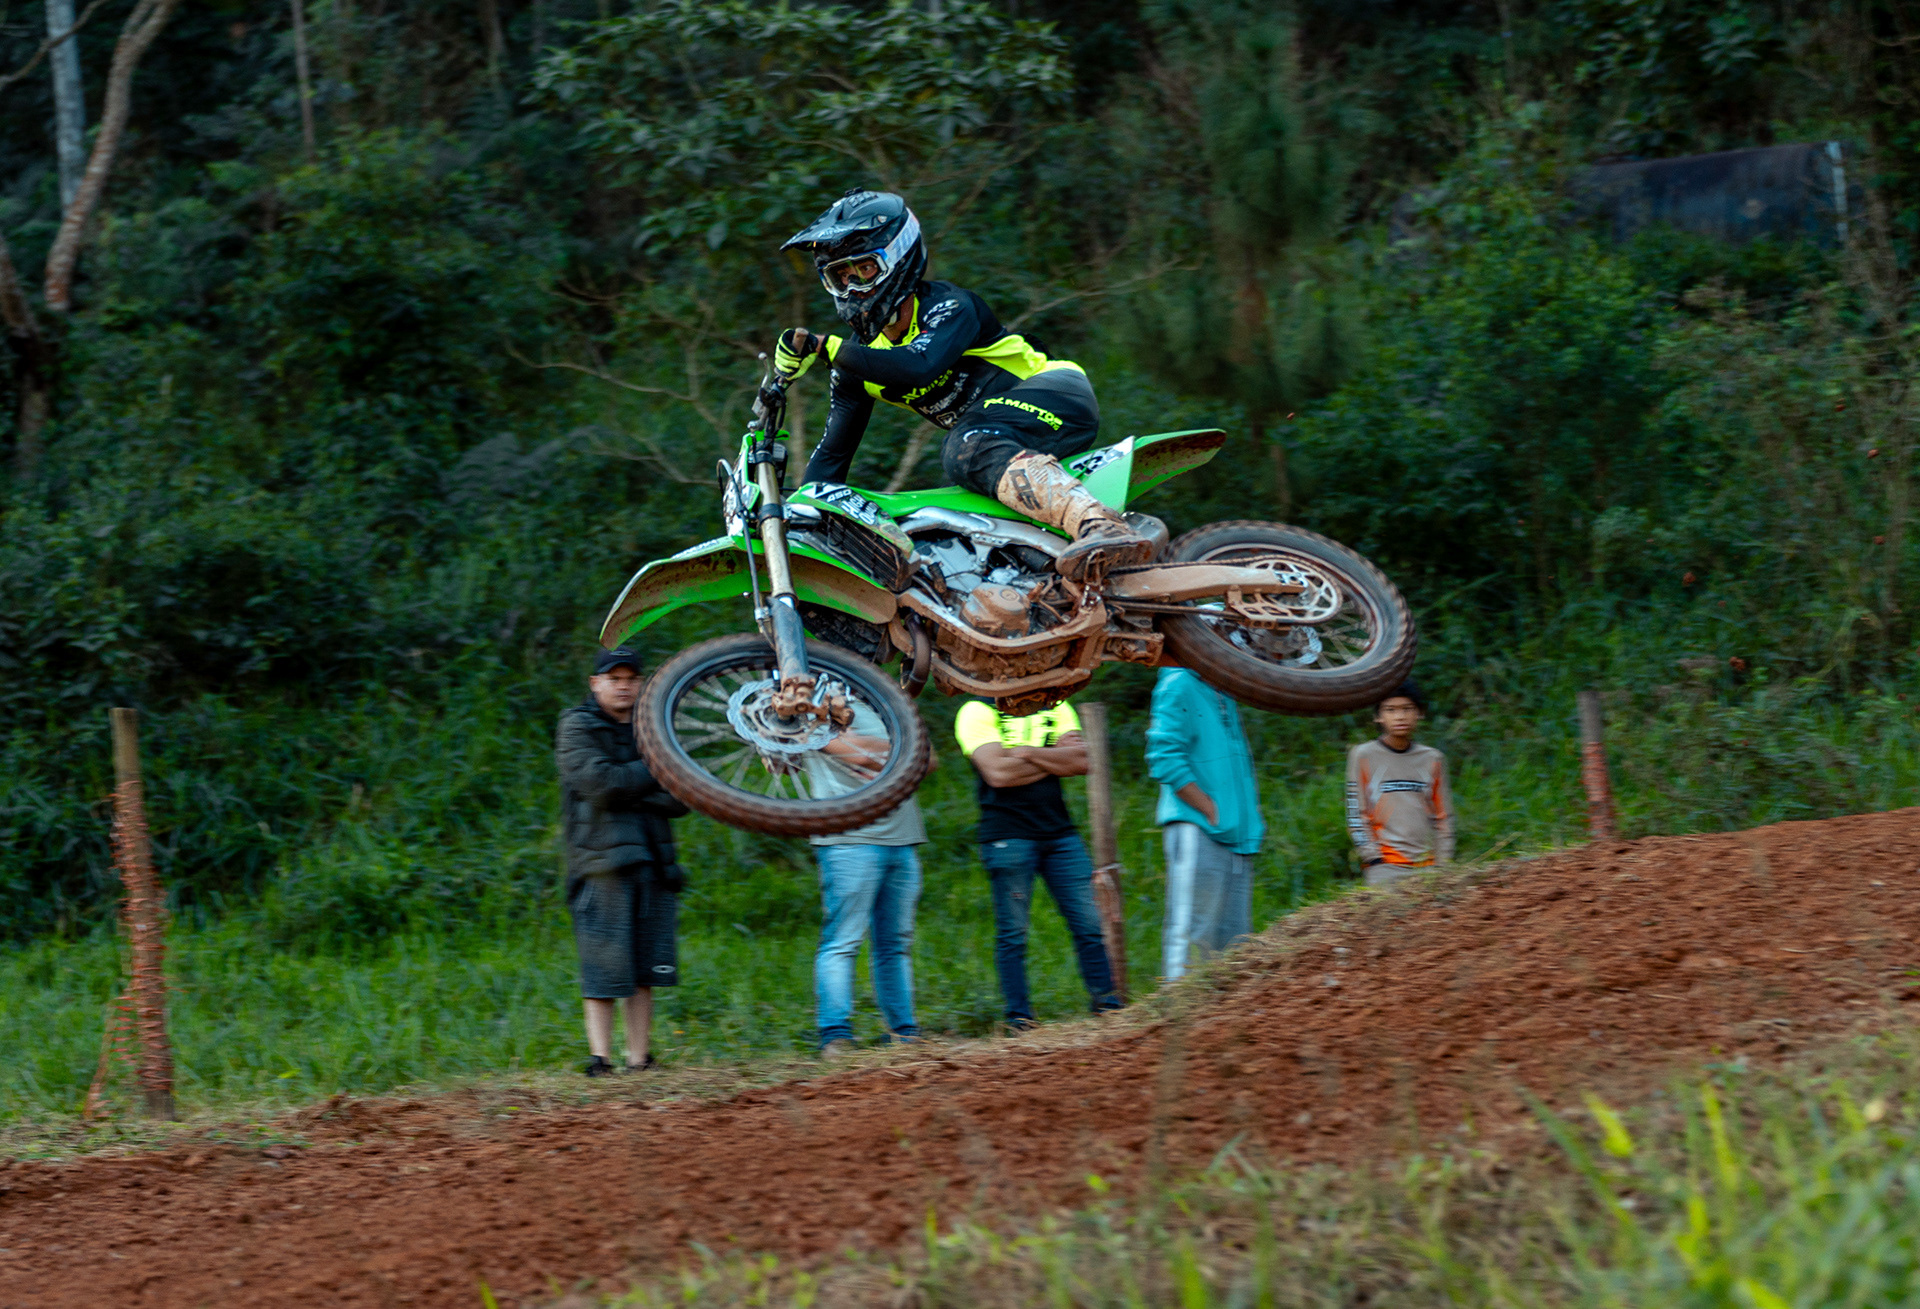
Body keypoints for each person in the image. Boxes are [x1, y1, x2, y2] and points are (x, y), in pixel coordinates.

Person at [771, 189, 1151, 581]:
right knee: (949, 526)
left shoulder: (950, 306)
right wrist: (796, 520)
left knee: (966, 448)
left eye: (864, 269)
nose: (853, 287)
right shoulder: (857, 361)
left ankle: (1100, 524)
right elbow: (831, 459)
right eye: (840, 276)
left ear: (898, 257)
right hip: (1000, 436)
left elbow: (917, 366)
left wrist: (823, 347)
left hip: (1055, 393)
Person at [555, 647, 689, 1077]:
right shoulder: (576, 725)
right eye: (614, 678)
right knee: (602, 968)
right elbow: (600, 783)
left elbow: (683, 796)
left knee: (646, 968)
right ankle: (600, 1061)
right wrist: (654, 768)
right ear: (595, 683)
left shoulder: (654, 726)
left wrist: (629, 781)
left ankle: (639, 1060)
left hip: (654, 861)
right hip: (601, 866)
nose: (624, 686)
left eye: (631, 678)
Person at [955, 697, 1119, 1028]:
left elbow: (1082, 761)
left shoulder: (1054, 704)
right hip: (1007, 835)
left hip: (1060, 833)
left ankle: (1108, 1007)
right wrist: (1052, 758)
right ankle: (1019, 1018)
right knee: (1013, 932)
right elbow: (998, 774)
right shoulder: (977, 710)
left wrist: (1026, 752)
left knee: (1089, 924)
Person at [803, 700, 930, 1059]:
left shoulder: (885, 699)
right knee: (843, 940)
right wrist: (899, 750)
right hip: (848, 839)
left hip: (903, 838)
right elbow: (858, 755)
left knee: (896, 943)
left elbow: (928, 759)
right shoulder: (813, 702)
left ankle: (905, 1032)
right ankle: (835, 1035)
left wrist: (874, 749)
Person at [1144, 667, 1263, 981]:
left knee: (1236, 943)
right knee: (1193, 938)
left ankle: (1228, 1013)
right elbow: (1163, 756)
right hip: (1199, 831)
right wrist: (1208, 808)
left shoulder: (1224, 689)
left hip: (1239, 838)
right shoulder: (1179, 682)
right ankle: (1180, 1010)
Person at [1345, 679, 1454, 889]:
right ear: (1378, 716)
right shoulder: (1364, 755)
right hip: (1385, 867)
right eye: (1391, 710)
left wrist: (1443, 863)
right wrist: (1372, 858)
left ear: (1420, 713)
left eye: (1407, 709)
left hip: (1429, 865)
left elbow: (1443, 816)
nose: (1400, 716)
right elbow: (1356, 814)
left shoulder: (1433, 758)